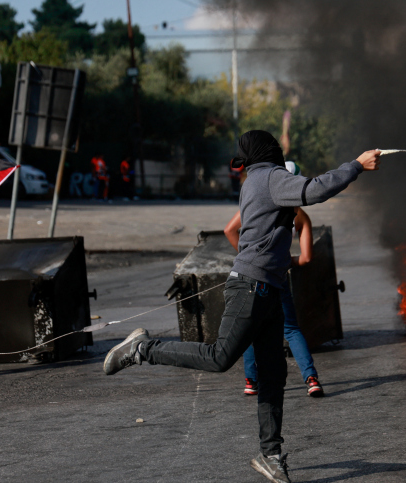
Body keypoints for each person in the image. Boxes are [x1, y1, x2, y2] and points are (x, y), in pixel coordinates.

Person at [102, 130, 380, 483]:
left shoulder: (255, 179)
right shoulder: (270, 178)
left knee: (273, 375)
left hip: (267, 288)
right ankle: (143, 349)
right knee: (220, 357)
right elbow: (314, 190)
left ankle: (271, 454)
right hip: (252, 288)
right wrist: (356, 165)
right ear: (271, 152)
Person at [223, 162, 324, 398]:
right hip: (278, 278)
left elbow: (229, 230)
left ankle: (251, 380)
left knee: (251, 328)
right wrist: (283, 260)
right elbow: (307, 258)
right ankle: (311, 379)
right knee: (290, 329)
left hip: (251, 276)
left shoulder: (255, 203)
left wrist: (247, 256)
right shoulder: (300, 216)